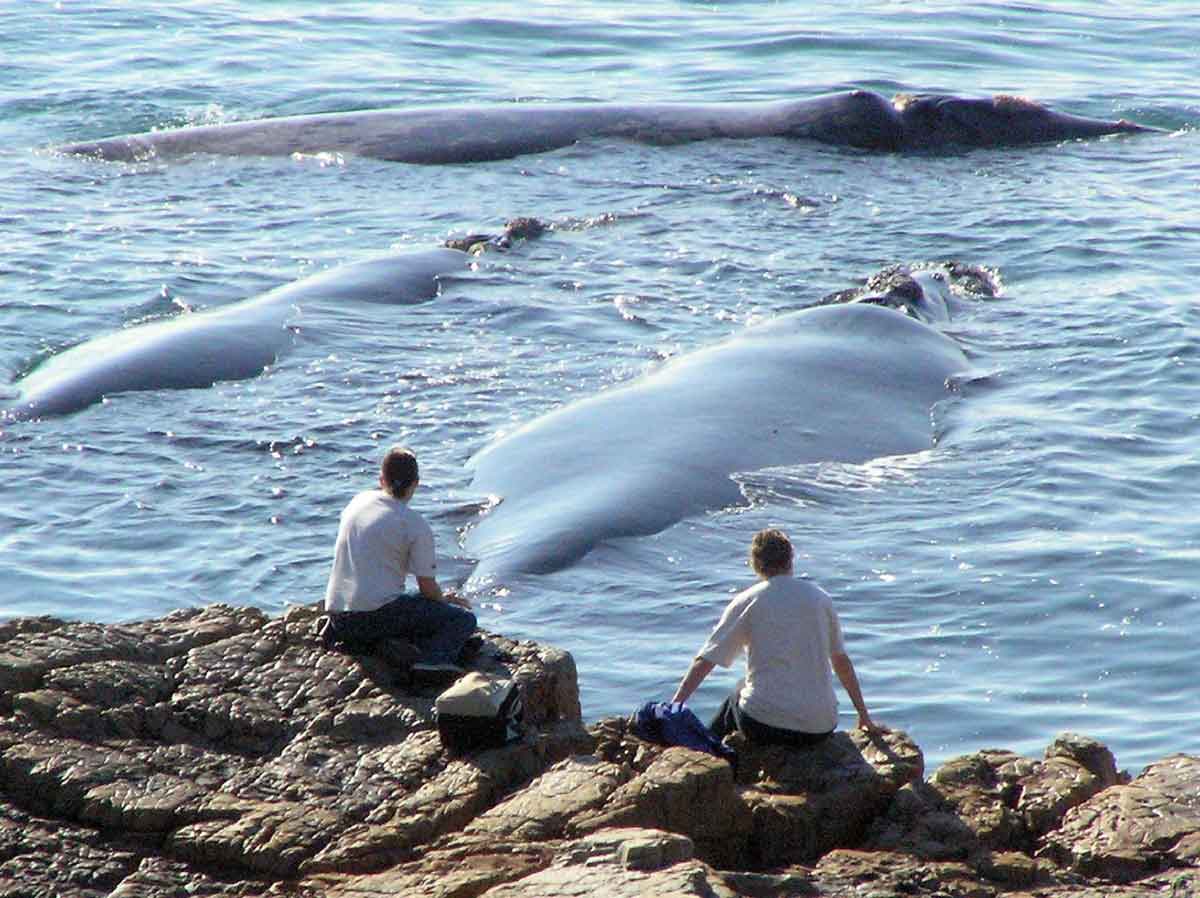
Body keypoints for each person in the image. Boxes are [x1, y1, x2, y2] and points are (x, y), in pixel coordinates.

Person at [671, 528, 877, 747]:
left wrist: (676, 703)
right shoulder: (820, 598)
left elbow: (708, 659)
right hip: (820, 727)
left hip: (767, 726)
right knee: (747, 692)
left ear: (755, 563)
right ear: (791, 558)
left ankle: (707, 757)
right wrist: (863, 715)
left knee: (737, 697)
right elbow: (840, 661)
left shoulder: (748, 600)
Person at [322, 445, 476, 677]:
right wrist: (445, 601)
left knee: (403, 599)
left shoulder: (358, 501)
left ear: (381, 479)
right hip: (372, 618)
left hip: (338, 616)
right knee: (463, 619)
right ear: (416, 483)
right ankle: (433, 661)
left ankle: (347, 636)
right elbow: (427, 588)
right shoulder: (414, 525)